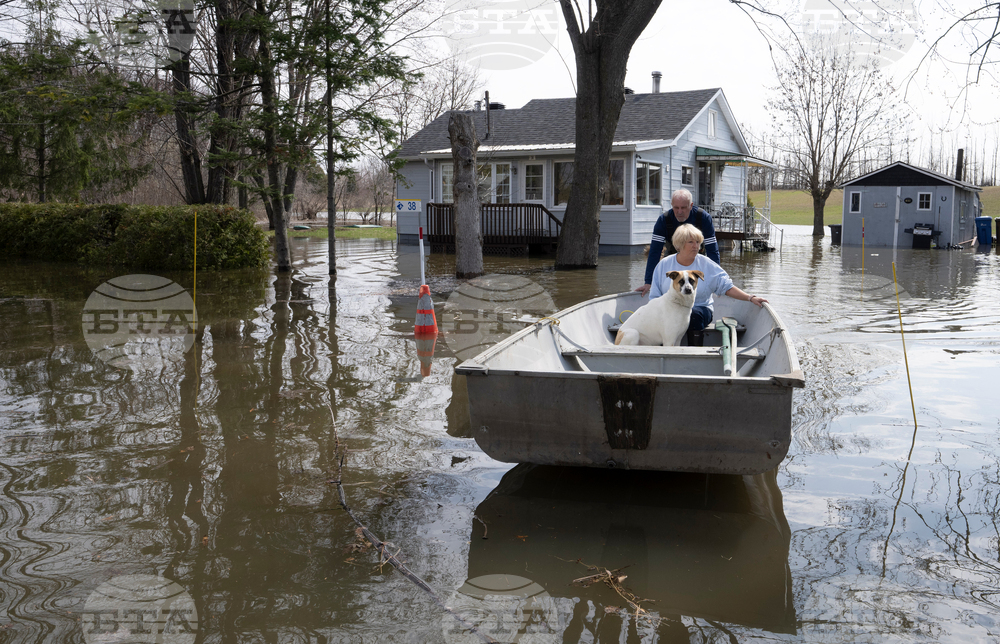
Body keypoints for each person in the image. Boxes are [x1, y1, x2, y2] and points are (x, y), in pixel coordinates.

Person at [649, 224, 766, 341]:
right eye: (691, 242)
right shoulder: (664, 265)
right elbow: (655, 297)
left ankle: (695, 350)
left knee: (693, 315)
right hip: (670, 311)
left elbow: (727, 287)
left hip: (700, 310)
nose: (696, 246)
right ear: (679, 244)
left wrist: (750, 298)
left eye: (698, 242)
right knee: (661, 320)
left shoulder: (706, 264)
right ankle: (662, 349)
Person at [637, 188, 719, 297]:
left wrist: (716, 280)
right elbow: (654, 252)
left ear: (691, 205)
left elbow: (712, 251)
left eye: (683, 208)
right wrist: (648, 282)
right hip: (673, 260)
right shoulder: (663, 220)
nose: (679, 212)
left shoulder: (703, 218)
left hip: (697, 260)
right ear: (671, 205)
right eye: (676, 208)